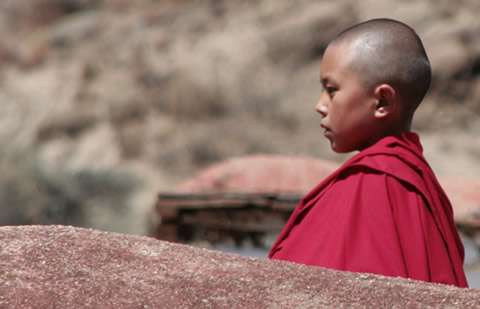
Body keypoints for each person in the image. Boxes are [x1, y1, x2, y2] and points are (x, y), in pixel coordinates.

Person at [268, 18, 468, 288]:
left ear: (383, 102)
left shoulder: (371, 183)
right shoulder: (423, 185)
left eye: (331, 90)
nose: (320, 105)